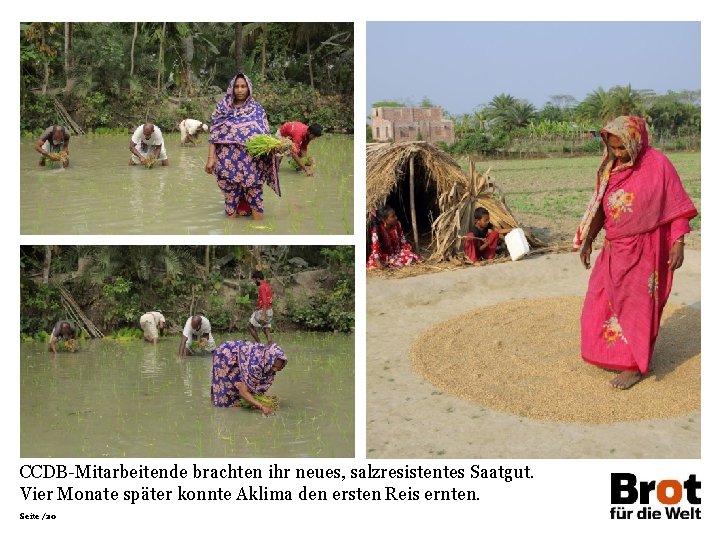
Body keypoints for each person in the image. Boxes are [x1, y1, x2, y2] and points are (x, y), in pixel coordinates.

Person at [575, 116, 697, 390]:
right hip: (614, 248)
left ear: (635, 140)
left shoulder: (658, 165)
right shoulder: (611, 168)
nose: (619, 154)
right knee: (600, 301)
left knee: (636, 307)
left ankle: (633, 366)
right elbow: (601, 208)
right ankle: (614, 353)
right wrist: (589, 239)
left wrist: (678, 243)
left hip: (646, 249)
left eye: (622, 148)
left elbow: (676, 204)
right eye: (613, 148)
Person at [204, 73, 280, 220]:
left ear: (249, 88)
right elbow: (214, 135)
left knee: (255, 196)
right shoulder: (222, 108)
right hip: (228, 161)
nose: (239, 90)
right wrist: (210, 158)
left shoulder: (257, 109)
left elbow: (264, 134)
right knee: (231, 198)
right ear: (231, 88)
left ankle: (258, 229)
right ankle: (231, 230)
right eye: (237, 86)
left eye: (243, 86)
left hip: (251, 162)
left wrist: (275, 146)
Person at [211, 340, 288, 414]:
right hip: (225, 354)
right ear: (269, 361)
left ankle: (246, 399)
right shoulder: (256, 366)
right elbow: (242, 392)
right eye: (273, 366)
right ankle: (218, 402)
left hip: (241, 358)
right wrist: (261, 406)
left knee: (243, 385)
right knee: (226, 389)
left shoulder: (268, 359)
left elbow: (257, 381)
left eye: (278, 368)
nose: (275, 369)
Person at [248, 270, 273, 344]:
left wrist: (263, 315)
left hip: (263, 311)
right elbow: (269, 300)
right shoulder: (267, 286)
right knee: (266, 329)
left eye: (254, 280)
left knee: (250, 326)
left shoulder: (261, 287)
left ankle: (258, 343)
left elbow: (265, 302)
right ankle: (270, 348)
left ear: (258, 279)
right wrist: (259, 306)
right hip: (269, 310)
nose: (254, 282)